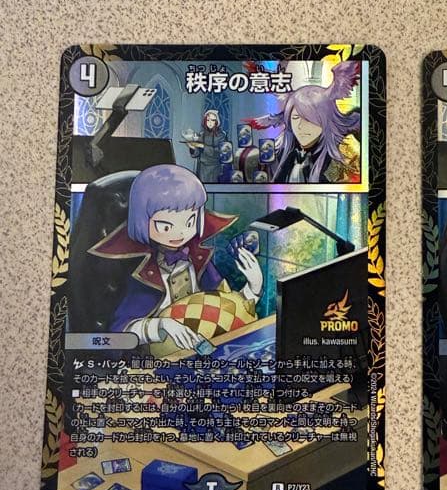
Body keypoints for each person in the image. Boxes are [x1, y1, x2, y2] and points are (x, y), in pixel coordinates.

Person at [89, 164, 262, 351]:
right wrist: (161, 325)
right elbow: (118, 336)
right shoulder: (140, 272)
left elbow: (226, 309)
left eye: (189, 222)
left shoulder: (198, 258)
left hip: (205, 351)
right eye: (165, 226)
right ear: (142, 222)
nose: (180, 233)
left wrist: (254, 287)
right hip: (158, 358)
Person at [241, 60, 361, 184]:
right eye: (295, 118)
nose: (300, 127)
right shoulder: (288, 151)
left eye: (308, 120)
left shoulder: (341, 153)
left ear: (325, 120)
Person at [186, 109, 227, 183]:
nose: (210, 122)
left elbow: (221, 152)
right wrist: (192, 148)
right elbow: (197, 153)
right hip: (202, 169)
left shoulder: (221, 136)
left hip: (215, 168)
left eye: (212, 120)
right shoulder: (202, 135)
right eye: (208, 120)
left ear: (217, 122)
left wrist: (203, 146)